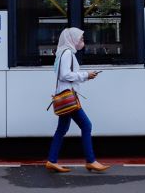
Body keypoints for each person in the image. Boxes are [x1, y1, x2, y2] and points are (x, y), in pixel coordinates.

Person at [45, 28, 111, 173]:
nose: (82, 41)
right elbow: (65, 75)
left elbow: (65, 76)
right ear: (72, 39)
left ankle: (52, 160)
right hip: (68, 98)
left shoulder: (62, 53)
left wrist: (85, 76)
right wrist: (86, 75)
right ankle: (91, 161)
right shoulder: (67, 53)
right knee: (86, 125)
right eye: (80, 39)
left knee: (62, 129)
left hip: (65, 96)